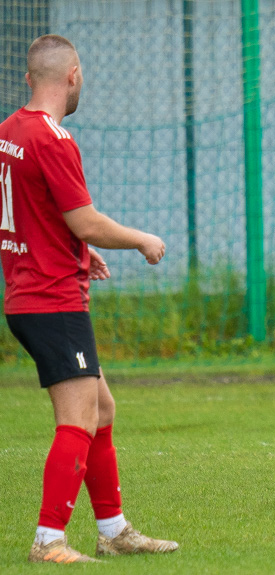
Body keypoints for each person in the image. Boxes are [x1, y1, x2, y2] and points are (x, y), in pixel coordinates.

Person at [0, 35, 179, 562]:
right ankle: (49, 540)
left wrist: (73, 250)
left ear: (30, 78)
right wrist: (140, 239)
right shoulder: (54, 139)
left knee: (101, 408)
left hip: (33, 291)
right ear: (73, 76)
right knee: (77, 420)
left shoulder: (8, 132)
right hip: (51, 300)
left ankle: (115, 530)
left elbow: (32, 211)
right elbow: (86, 220)